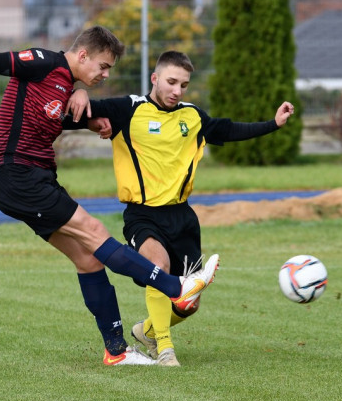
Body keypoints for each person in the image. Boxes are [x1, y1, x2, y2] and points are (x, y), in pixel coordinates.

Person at [0, 28, 219, 366]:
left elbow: (57, 115)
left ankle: (116, 351)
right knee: (95, 231)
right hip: (17, 175)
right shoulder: (44, 62)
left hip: (32, 178)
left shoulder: (66, 86)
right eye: (103, 66)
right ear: (82, 55)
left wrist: (87, 114)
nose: (105, 74)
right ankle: (176, 287)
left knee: (88, 259)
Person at [83, 50, 294, 366]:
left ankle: (148, 331)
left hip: (182, 218)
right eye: (171, 82)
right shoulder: (128, 109)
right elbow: (80, 111)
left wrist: (273, 124)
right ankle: (165, 349)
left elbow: (229, 130)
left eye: (183, 85)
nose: (176, 91)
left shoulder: (193, 116)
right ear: (154, 79)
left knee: (188, 303)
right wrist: (79, 93)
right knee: (159, 266)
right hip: (142, 215)